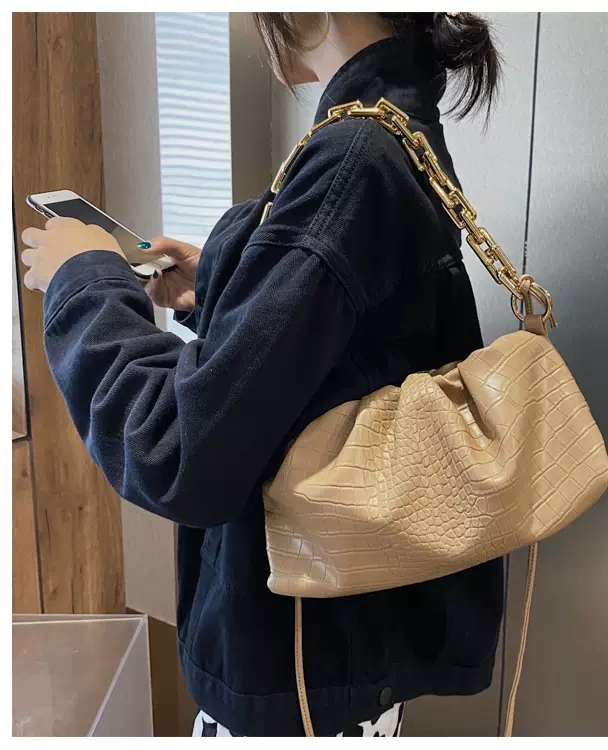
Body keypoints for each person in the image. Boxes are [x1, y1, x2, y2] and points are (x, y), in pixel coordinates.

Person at [21, 12, 505, 738]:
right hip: (340, 651)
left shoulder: (353, 157)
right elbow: (348, 355)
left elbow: (179, 451)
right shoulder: (392, 128)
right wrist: (224, 283)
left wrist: (83, 278)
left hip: (298, 671)